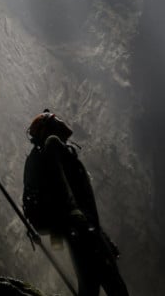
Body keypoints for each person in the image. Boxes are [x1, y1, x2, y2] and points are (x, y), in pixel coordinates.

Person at [22, 110, 129, 296]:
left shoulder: (50, 152)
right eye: (57, 119)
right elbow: (67, 194)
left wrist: (102, 236)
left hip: (76, 232)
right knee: (114, 285)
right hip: (82, 230)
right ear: (49, 127)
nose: (63, 121)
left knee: (89, 285)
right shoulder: (53, 144)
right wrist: (79, 221)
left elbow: (77, 201)